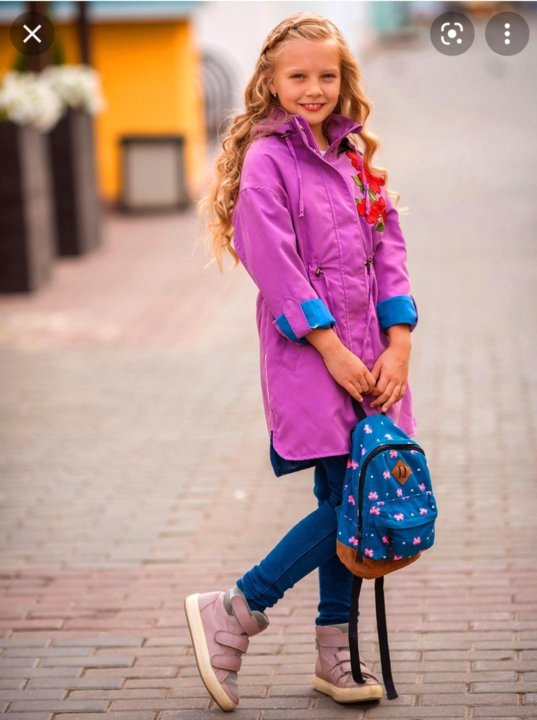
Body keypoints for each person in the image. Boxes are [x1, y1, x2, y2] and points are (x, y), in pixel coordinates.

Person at [185, 12, 419, 712]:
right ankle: (239, 606)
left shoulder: (352, 156)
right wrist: (329, 347)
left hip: (372, 358)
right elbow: (274, 264)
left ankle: (332, 653)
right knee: (354, 501)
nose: (314, 88)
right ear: (271, 81)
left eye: (326, 75)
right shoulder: (268, 160)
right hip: (313, 359)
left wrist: (400, 341)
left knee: (346, 499)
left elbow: (390, 249)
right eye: (298, 76)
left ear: (343, 80)